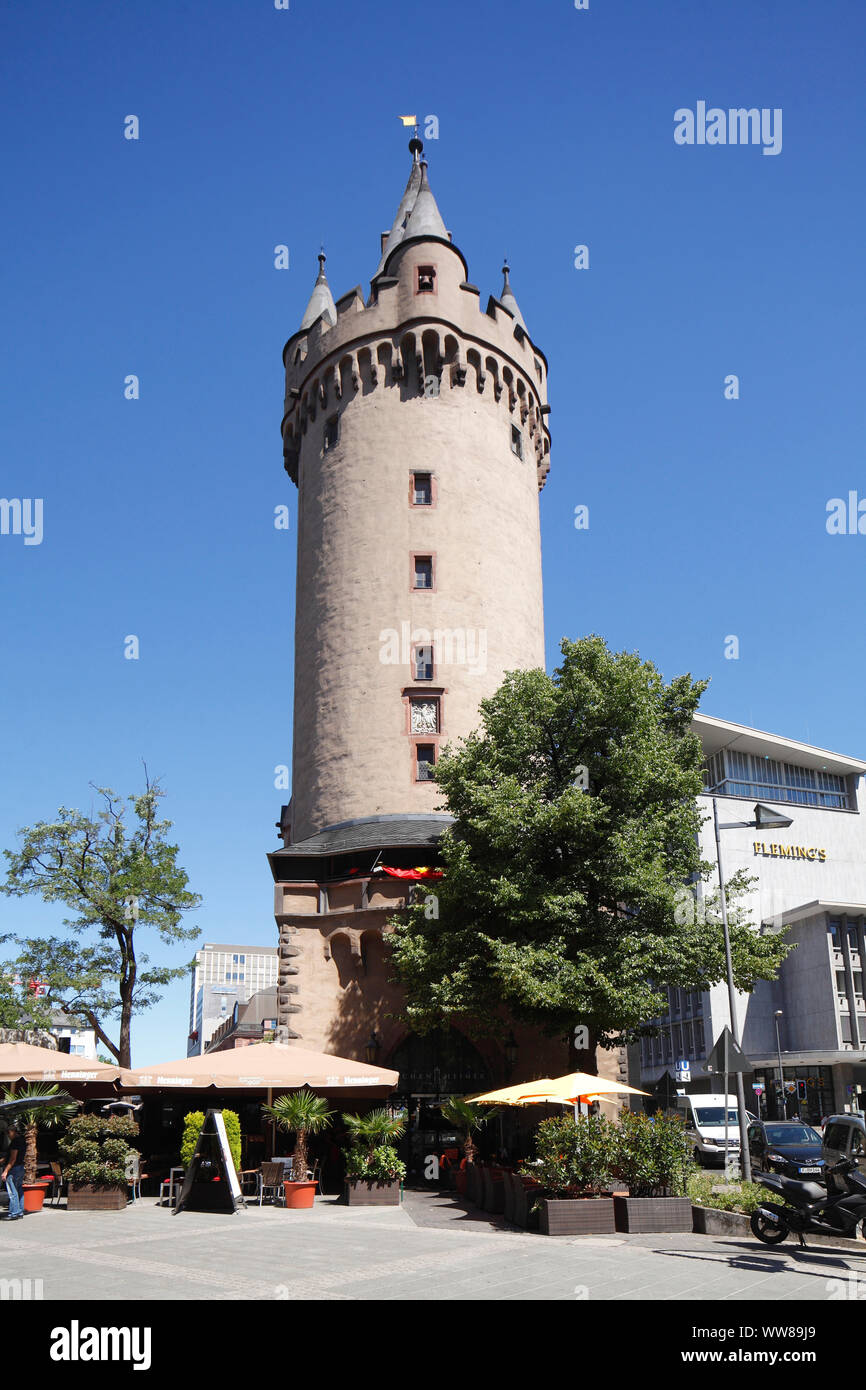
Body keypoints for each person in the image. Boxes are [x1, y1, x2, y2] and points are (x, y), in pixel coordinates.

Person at [2, 1123, 25, 1220]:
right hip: (20, 1167)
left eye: (8, 1133)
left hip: (14, 1168)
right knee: (19, 1189)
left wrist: (5, 1171)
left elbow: (13, 1158)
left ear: (13, 1132)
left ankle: (14, 1212)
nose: (8, 1135)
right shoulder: (22, 1141)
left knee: (12, 1191)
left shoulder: (15, 1142)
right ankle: (20, 1211)